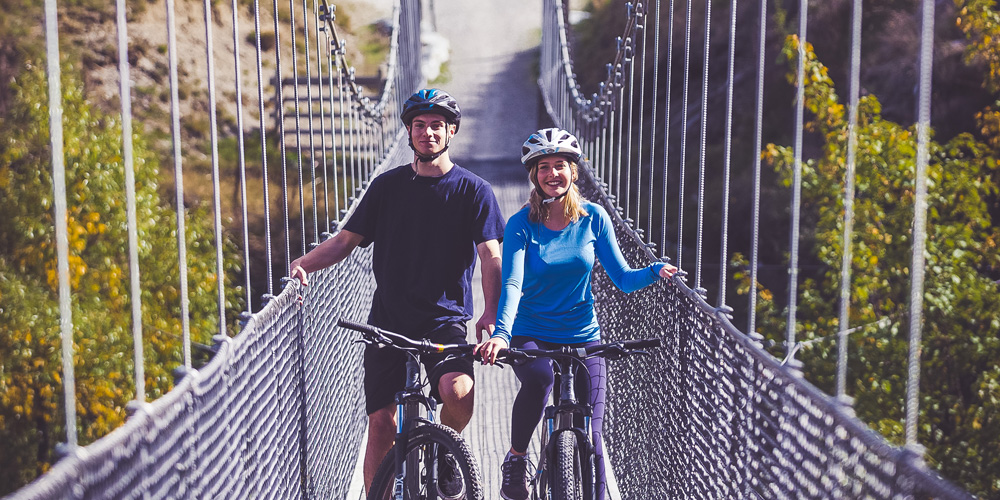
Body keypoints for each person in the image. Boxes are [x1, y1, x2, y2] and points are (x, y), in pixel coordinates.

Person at [289, 89, 505, 498]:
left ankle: (445, 450)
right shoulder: (386, 187)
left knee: (458, 393)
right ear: (409, 131)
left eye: (436, 126)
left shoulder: (474, 190)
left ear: (451, 132)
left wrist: (491, 312)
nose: (428, 133)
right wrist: (302, 264)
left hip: (445, 319)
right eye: (419, 125)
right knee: (382, 425)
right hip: (388, 320)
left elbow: (491, 255)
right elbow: (344, 242)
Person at [475, 128, 677, 500]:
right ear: (534, 175)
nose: (553, 174)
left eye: (561, 166)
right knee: (538, 382)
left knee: (594, 438)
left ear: (574, 171)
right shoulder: (521, 224)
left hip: (583, 334)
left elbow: (622, 279)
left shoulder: (594, 218)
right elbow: (513, 283)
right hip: (530, 331)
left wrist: (654, 271)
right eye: (544, 167)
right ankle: (517, 458)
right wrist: (502, 334)